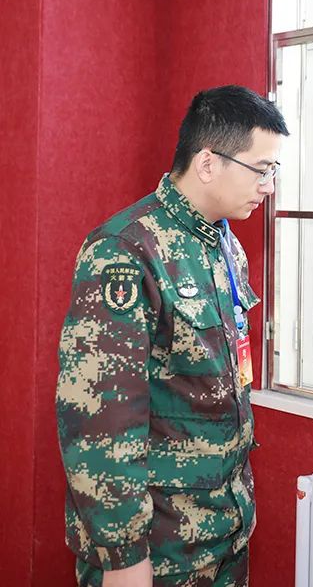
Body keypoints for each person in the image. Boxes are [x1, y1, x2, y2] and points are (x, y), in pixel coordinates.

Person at [56, 85, 289, 587]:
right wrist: (124, 555)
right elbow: (100, 415)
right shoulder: (125, 251)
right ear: (207, 163)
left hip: (224, 529)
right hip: (158, 547)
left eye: (274, 170)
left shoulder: (224, 244)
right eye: (261, 169)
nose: (269, 185)